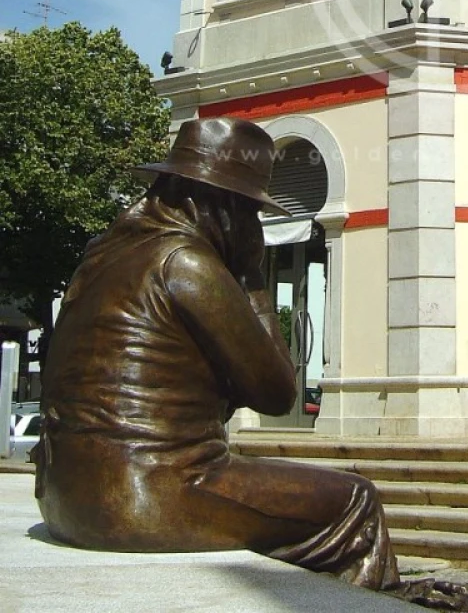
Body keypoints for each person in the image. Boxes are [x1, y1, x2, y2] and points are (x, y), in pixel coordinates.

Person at [35, 116, 399, 591]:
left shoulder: (101, 255)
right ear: (224, 205)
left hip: (63, 496)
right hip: (147, 493)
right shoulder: (186, 262)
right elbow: (275, 393)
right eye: (250, 211)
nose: (252, 225)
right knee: (357, 502)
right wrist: (251, 279)